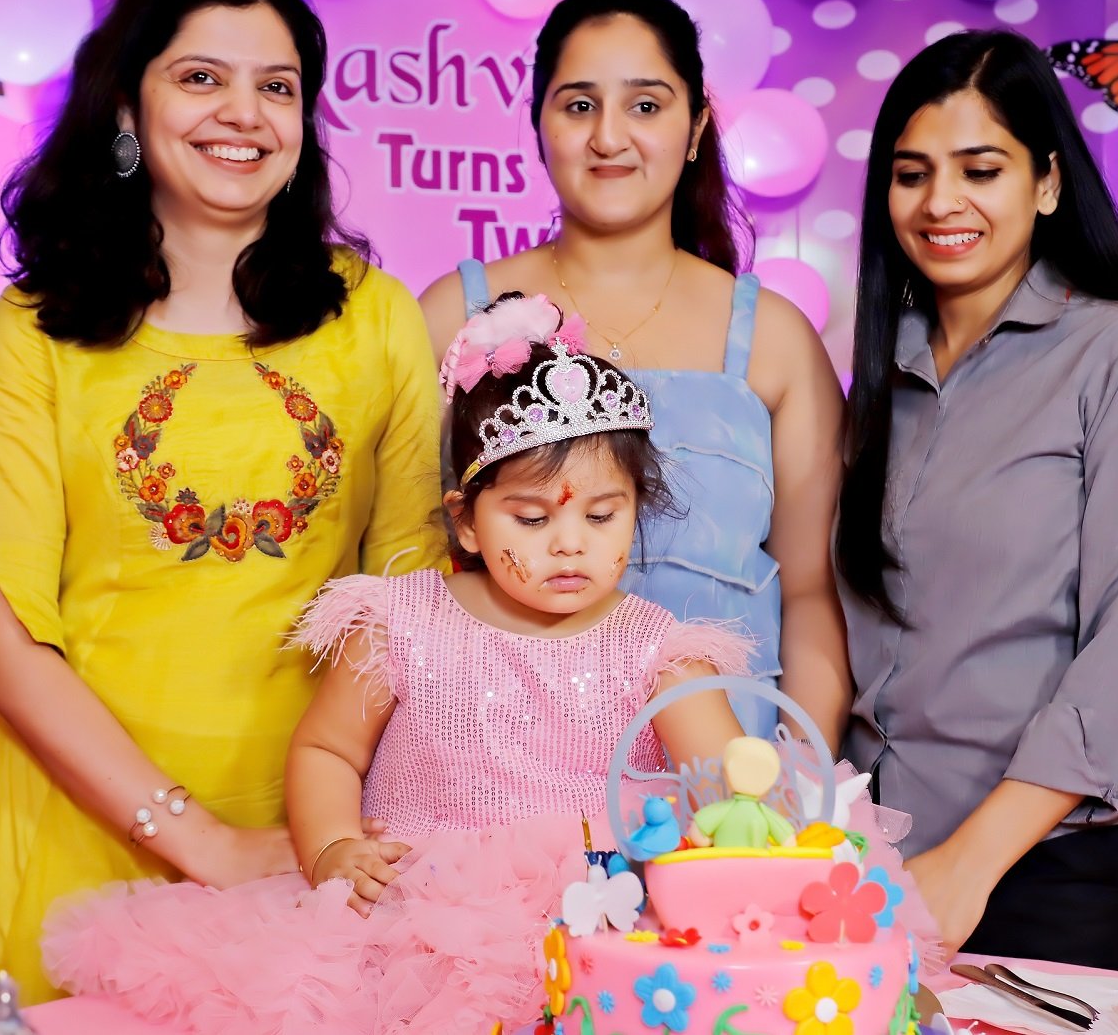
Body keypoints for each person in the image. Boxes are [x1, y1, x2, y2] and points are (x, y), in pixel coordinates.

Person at [0, 0, 443, 1031]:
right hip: (71, 829)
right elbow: (3, 630)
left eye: (277, 86)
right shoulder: (37, 329)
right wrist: (200, 840)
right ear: (127, 103)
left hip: (302, 843)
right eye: (202, 77)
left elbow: (411, 604)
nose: (243, 113)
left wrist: (320, 830)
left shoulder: (376, 317)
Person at [43, 293, 749, 1035]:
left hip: (595, 934)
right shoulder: (402, 622)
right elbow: (327, 749)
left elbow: (734, 791)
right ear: (466, 522)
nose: (570, 542)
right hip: (409, 931)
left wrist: (735, 816)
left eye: (602, 516)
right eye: (532, 518)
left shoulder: (656, 651)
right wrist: (330, 845)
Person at [836, 30, 1118, 970]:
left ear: (1046, 182)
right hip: (873, 856)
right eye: (912, 173)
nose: (941, 201)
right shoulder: (878, 380)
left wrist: (971, 861)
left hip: (1051, 860)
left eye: (981, 169)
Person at [421, 0, 851, 746]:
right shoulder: (455, 314)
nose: (609, 136)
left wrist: (793, 778)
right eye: (579, 105)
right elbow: (410, 574)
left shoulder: (775, 338)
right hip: (509, 770)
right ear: (539, 123)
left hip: (727, 784)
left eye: (645, 105)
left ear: (696, 127)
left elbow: (812, 595)